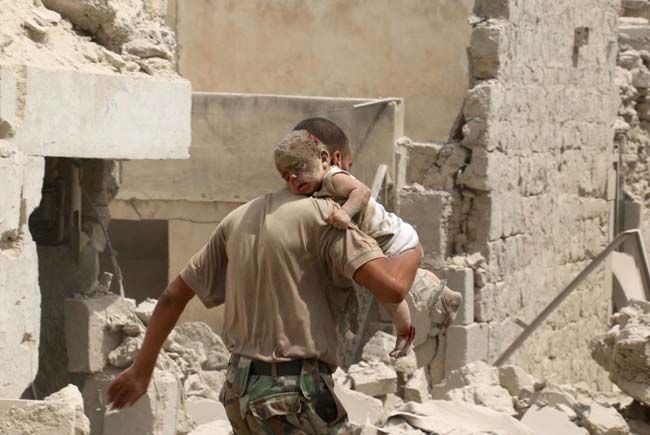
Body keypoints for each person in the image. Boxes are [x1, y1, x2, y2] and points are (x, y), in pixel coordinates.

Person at [106, 127, 423, 433]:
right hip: (294, 392)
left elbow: (173, 296)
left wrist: (142, 369)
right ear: (331, 160)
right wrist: (413, 248)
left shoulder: (237, 218)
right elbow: (393, 288)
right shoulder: (326, 217)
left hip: (238, 391)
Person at [289, 118, 463, 344]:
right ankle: (433, 306)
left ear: (333, 159)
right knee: (394, 290)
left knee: (389, 292)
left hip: (393, 239)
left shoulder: (334, 176)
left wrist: (346, 213)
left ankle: (406, 329)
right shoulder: (314, 189)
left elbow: (362, 192)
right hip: (383, 244)